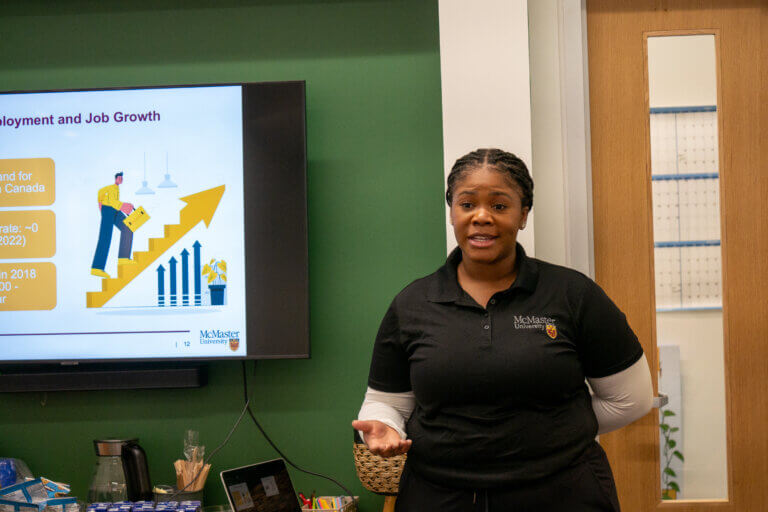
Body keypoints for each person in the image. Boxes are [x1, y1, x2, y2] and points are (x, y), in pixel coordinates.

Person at [352, 149, 653, 512]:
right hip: (439, 496)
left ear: (523, 214)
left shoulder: (573, 295)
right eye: (467, 204)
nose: (481, 217)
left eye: (499, 206)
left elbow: (630, 399)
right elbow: (386, 402)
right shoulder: (412, 304)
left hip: (562, 492)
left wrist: (545, 432)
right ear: (452, 212)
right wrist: (387, 426)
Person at [91, 171, 135, 278]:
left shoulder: (116, 188)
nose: (121, 180)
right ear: (116, 179)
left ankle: (123, 258)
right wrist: (101, 204)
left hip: (115, 209)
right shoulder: (111, 187)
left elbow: (107, 197)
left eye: (122, 178)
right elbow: (111, 200)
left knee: (128, 226)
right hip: (108, 210)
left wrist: (121, 207)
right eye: (119, 178)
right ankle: (97, 268)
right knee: (105, 237)